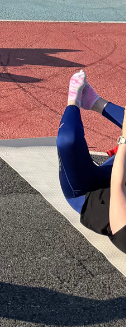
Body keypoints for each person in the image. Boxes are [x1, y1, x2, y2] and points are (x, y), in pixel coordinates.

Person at [57, 70, 126, 253]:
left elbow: (118, 184)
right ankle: (94, 101)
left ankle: (74, 101)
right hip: (117, 181)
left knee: (68, 141)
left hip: (85, 193)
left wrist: (124, 140)